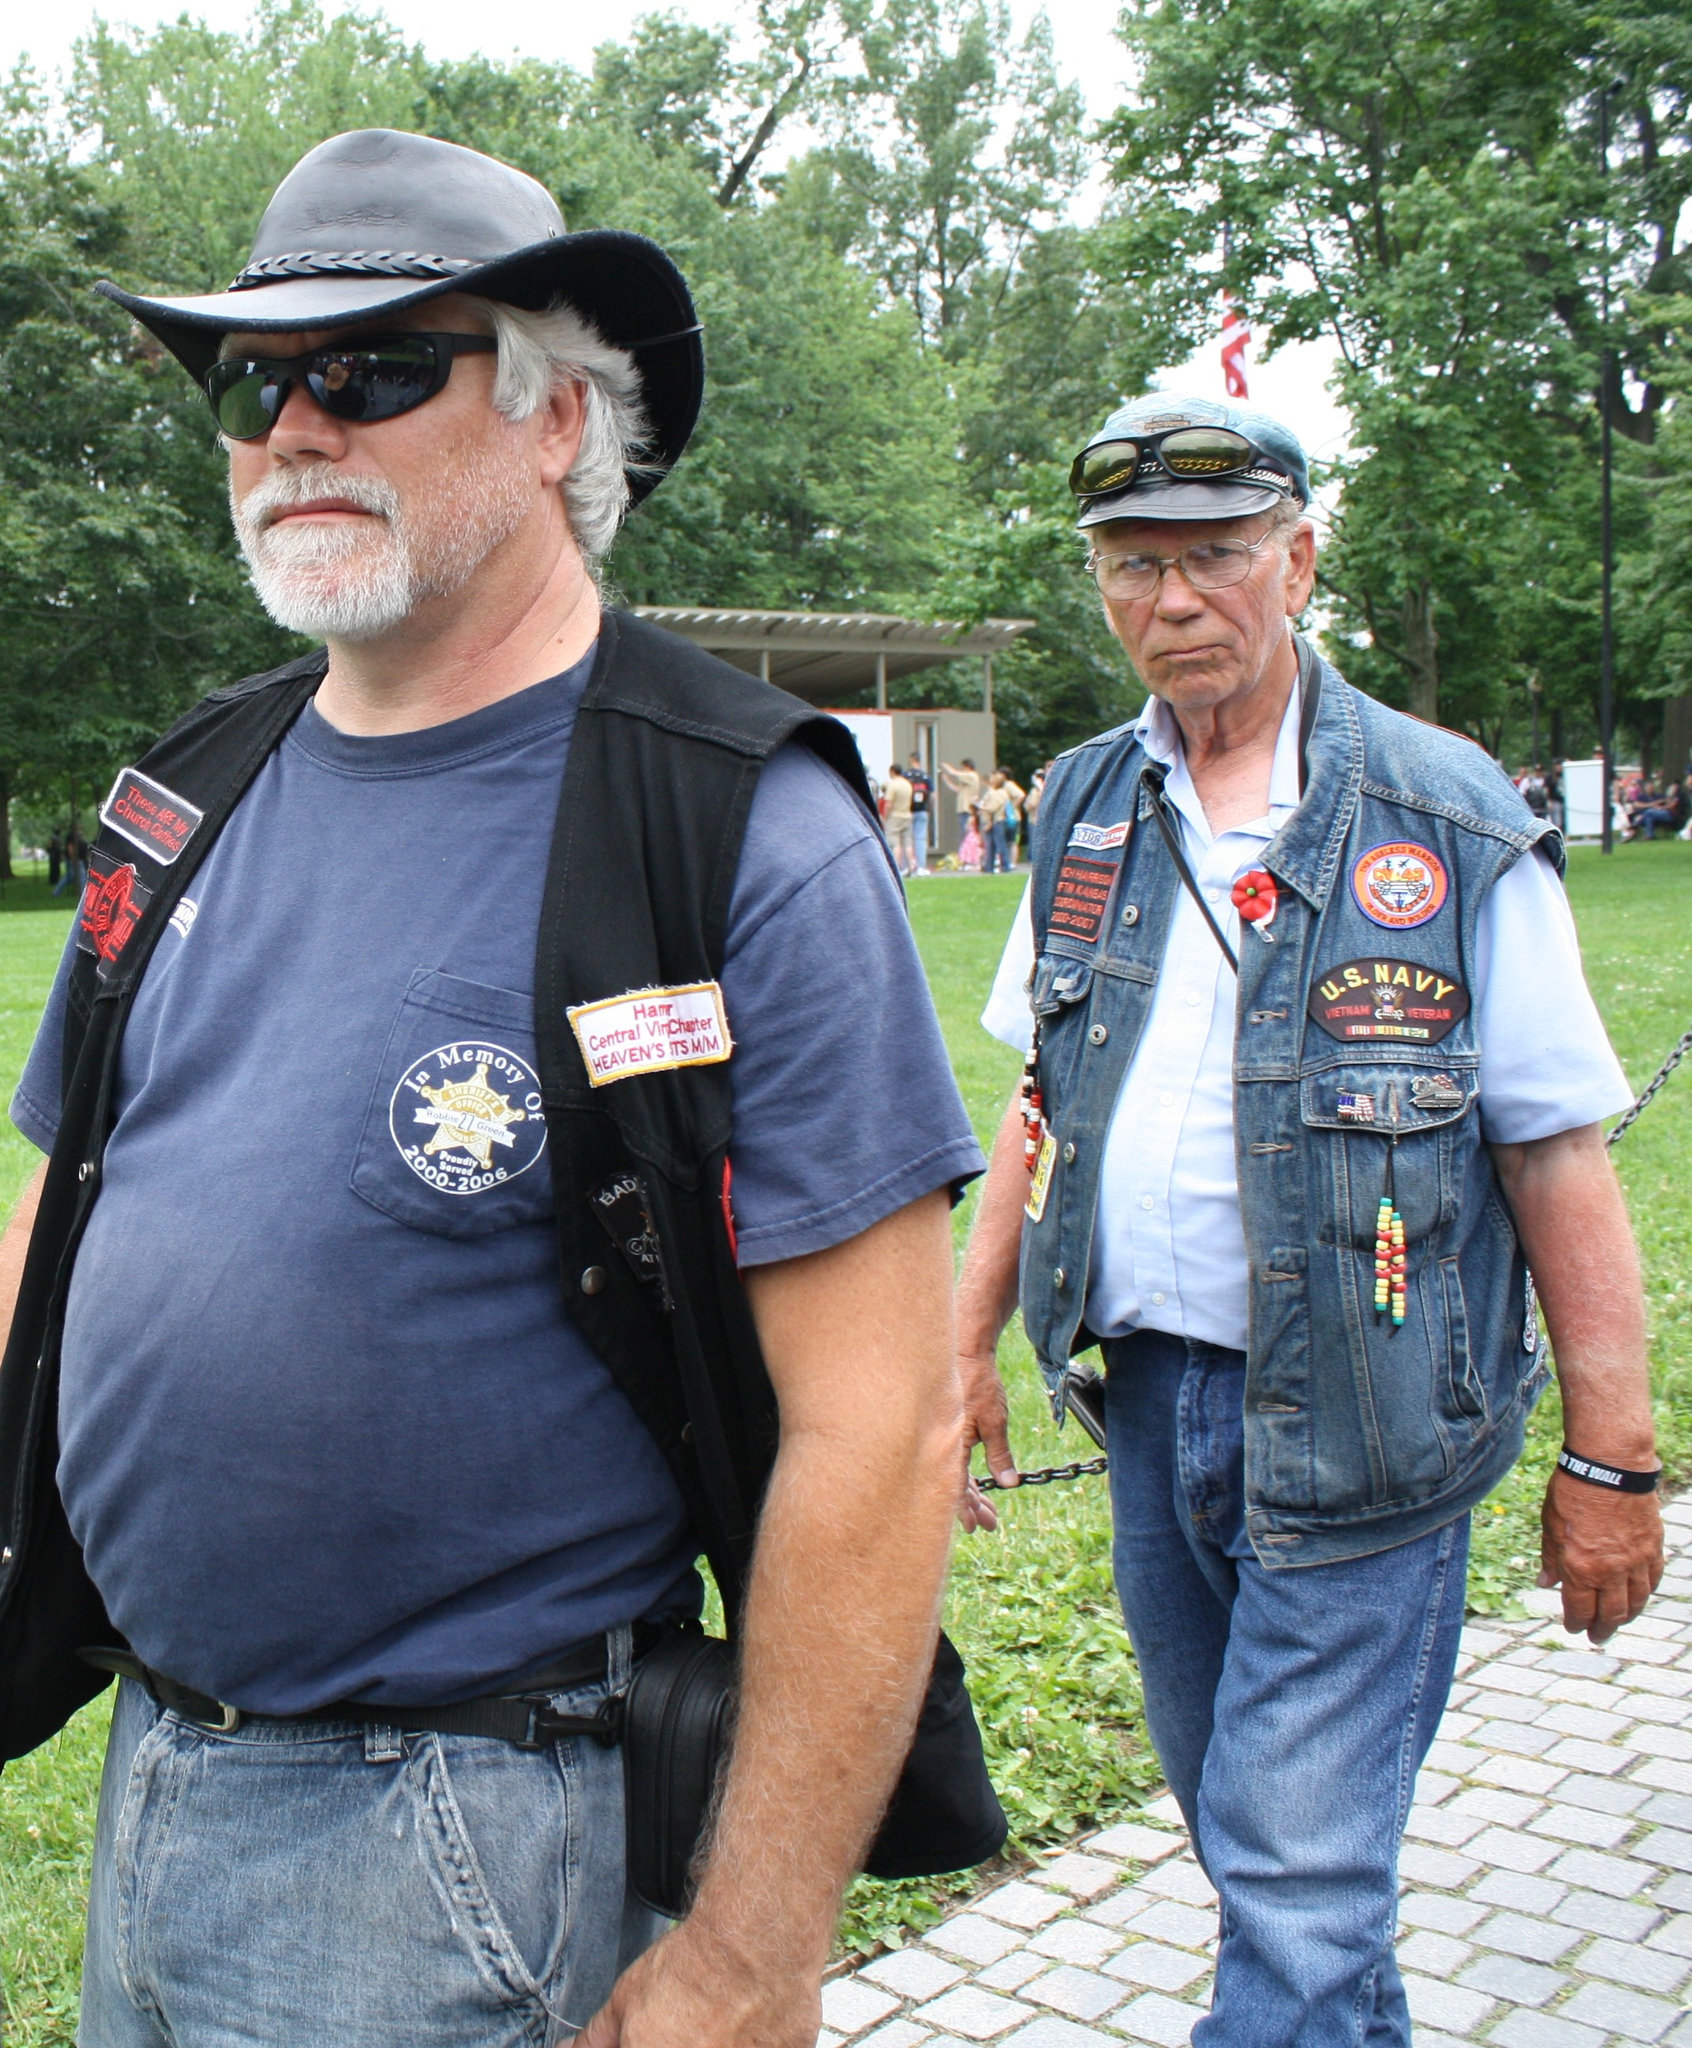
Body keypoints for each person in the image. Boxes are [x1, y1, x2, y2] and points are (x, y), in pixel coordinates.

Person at [0, 129, 982, 2048]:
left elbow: (883, 1428)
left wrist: (750, 1954)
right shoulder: (193, 783)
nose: (292, 424)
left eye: (370, 369)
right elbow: (67, 1213)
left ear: (557, 419)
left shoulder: (725, 823)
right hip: (154, 1771)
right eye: (247, 379)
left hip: (456, 1835)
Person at [955, 390, 1663, 2048]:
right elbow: (1041, 1097)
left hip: (1369, 1427)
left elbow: (1556, 1152)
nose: (1170, 602)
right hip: (1144, 1407)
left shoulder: (1447, 810)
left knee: (1288, 1866)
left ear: (1299, 559)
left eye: (1211, 558)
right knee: (1254, 1841)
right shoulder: (1080, 805)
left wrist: (1613, 1458)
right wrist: (958, 1346)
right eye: (1131, 567)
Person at [939, 756, 982, 851]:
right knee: (964, 833)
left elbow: (954, 773)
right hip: (963, 808)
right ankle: (965, 855)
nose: (962, 770)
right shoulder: (966, 781)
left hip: (967, 809)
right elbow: (957, 789)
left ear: (967, 766)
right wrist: (945, 780)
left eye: (963, 767)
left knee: (966, 833)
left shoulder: (972, 775)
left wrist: (945, 766)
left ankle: (968, 855)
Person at [976, 770, 1014, 874]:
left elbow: (993, 807)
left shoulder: (1000, 793)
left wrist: (982, 807)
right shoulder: (995, 792)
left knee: (999, 844)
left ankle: (1005, 865)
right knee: (991, 845)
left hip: (997, 821)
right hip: (995, 821)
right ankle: (989, 866)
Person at [884, 758, 916, 874]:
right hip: (907, 815)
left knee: (895, 843)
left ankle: (896, 867)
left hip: (895, 816)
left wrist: (884, 817)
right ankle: (912, 866)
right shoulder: (908, 784)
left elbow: (888, 803)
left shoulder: (893, 785)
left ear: (892, 771)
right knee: (908, 843)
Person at [907, 752, 933, 872]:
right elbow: (932, 795)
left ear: (911, 760)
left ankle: (908, 865)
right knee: (920, 838)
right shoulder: (926, 777)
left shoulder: (906, 776)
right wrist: (930, 809)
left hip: (909, 811)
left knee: (908, 839)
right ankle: (921, 865)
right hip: (923, 810)